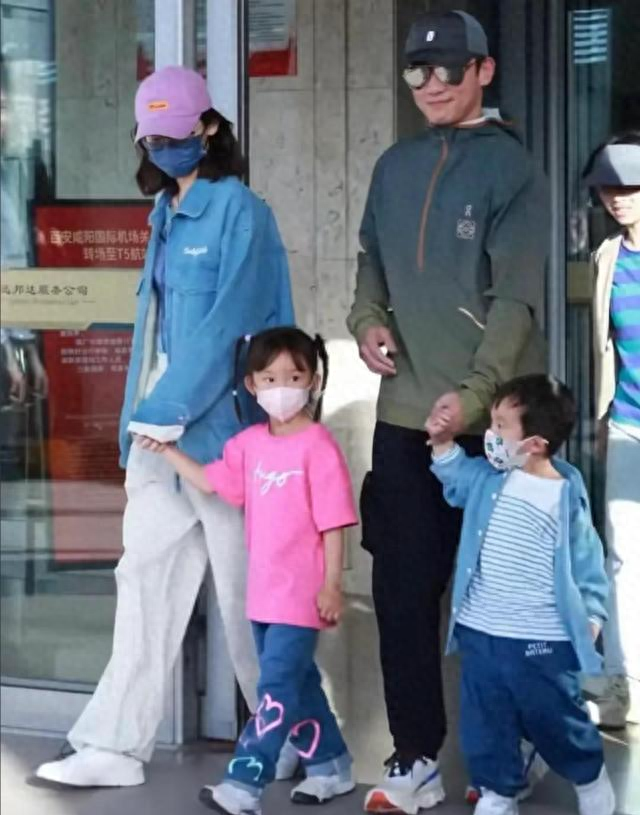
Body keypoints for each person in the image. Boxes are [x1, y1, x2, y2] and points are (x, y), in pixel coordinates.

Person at [35, 66, 294, 788]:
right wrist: (138, 423)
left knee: (250, 599)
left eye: (174, 135)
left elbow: (234, 326)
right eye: (151, 138)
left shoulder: (240, 211)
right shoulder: (162, 214)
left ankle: (291, 736)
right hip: (160, 435)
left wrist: (164, 410)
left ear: (209, 128)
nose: (162, 148)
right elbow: (154, 333)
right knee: (143, 581)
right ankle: (114, 745)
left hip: (226, 436)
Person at [347, 10, 548, 812]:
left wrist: (475, 395)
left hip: (490, 426)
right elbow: (371, 262)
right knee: (401, 595)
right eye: (417, 71)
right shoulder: (393, 166)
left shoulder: (513, 170)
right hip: (403, 417)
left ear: (483, 71)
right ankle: (416, 756)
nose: (430, 84)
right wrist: (366, 318)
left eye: (448, 69)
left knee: (504, 602)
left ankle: (515, 750)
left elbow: (517, 301)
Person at [137, 327, 357, 815]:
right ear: (252, 384)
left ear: (314, 381)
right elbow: (211, 482)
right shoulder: (249, 444)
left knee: (274, 690)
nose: (283, 388)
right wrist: (168, 450)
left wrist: (332, 585)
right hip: (263, 594)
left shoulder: (318, 447)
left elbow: (334, 523)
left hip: (302, 596)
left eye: (294, 377)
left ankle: (244, 784)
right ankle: (331, 766)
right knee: (298, 685)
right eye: (270, 378)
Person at [426, 374, 614, 815]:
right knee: (484, 719)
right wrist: (441, 443)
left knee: (555, 716)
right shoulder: (490, 479)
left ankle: (588, 775)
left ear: (536, 443)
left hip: (542, 637)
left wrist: (592, 616)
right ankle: (497, 790)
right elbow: (456, 475)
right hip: (482, 629)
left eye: (500, 425)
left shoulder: (564, 496)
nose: (490, 435)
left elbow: (588, 563)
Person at [581, 132, 640, 728]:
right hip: (627, 421)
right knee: (623, 554)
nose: (618, 197)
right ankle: (625, 683)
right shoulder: (607, 257)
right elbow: (605, 347)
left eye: (631, 186)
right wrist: (602, 417)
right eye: (607, 188)